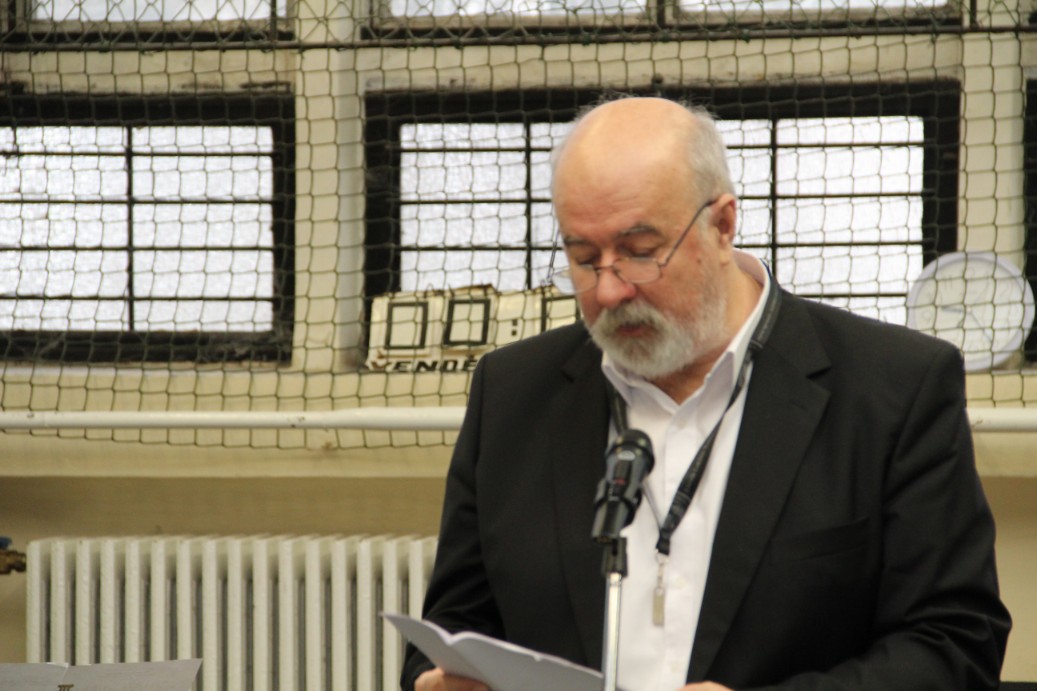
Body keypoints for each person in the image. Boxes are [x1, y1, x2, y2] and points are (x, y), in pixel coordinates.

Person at [400, 96, 1011, 690]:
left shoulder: (894, 388)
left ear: (722, 225)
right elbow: (451, 628)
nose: (609, 291)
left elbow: (953, 644)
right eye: (583, 259)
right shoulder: (512, 394)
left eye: (640, 253)